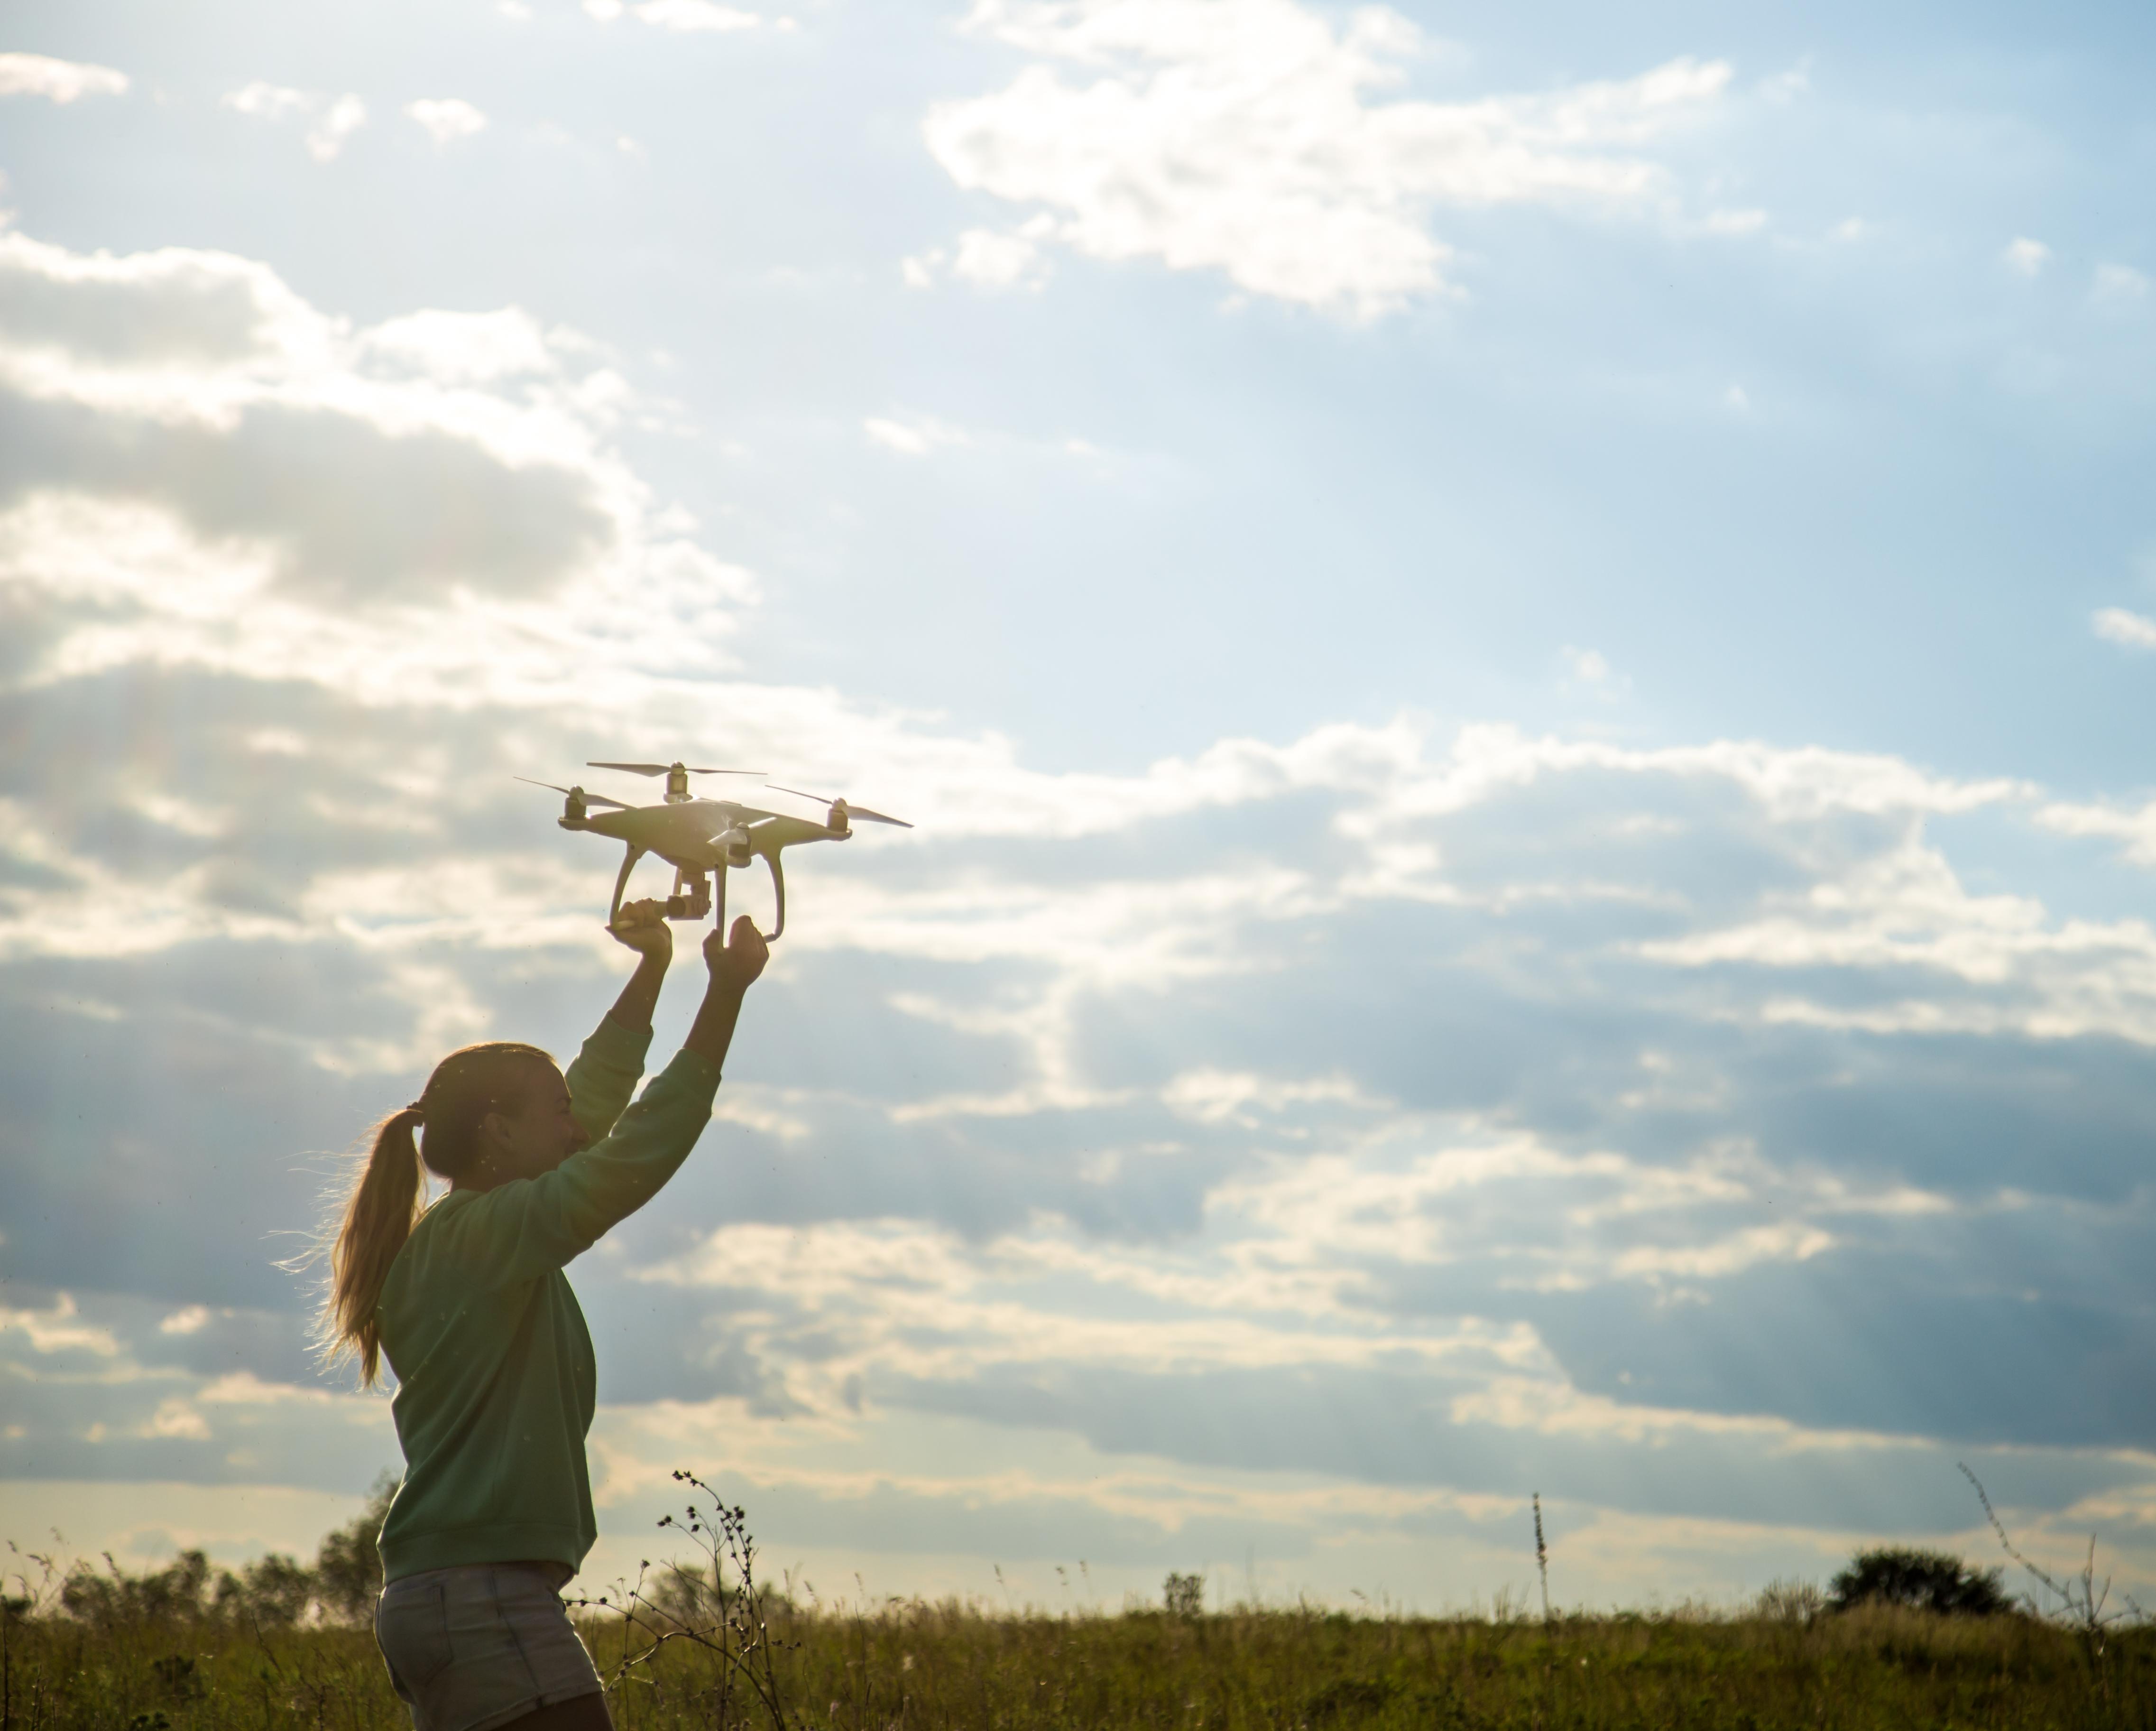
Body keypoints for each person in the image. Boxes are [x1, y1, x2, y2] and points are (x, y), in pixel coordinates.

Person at [319, 899, 768, 1731]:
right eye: (554, 1113)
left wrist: (652, 971)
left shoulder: (472, 1234)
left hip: (453, 1593)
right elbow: (632, 1154)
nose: (576, 1126)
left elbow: (591, 1106)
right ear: (498, 1130)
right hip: (481, 1595)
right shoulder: (485, 1235)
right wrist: (726, 996)